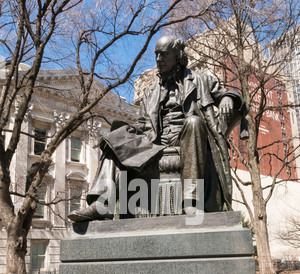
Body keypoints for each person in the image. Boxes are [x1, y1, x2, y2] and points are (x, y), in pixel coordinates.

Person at [68, 35, 248, 222]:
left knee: (193, 121)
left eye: (164, 54)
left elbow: (229, 95)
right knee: (114, 139)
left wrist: (229, 98)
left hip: (188, 137)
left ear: (177, 56)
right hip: (155, 143)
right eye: (156, 55)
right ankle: (103, 203)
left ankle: (191, 201)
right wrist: (127, 133)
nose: (158, 59)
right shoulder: (150, 91)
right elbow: (144, 123)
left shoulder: (201, 81)